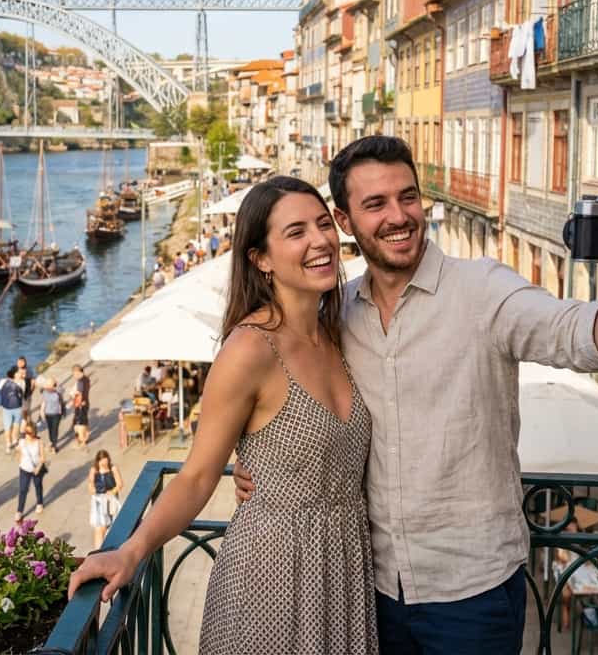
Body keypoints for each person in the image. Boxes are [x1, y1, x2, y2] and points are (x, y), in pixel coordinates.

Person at [232, 136, 598, 654]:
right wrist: (258, 460)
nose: (398, 216)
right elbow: (291, 394)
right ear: (344, 220)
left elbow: (584, 336)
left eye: (407, 197)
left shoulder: (483, 290)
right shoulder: (338, 313)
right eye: (375, 204)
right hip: (371, 590)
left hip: (473, 594)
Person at [70, 177, 377, 654]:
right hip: (271, 576)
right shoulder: (251, 349)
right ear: (261, 258)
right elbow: (196, 477)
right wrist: (132, 550)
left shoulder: (338, 332)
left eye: (323, 224)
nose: (320, 240)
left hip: (344, 571)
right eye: (296, 232)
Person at [85, 449, 124, 550]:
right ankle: (98, 551)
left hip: (111, 499)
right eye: (101, 461)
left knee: (110, 525)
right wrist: (93, 489)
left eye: (105, 460)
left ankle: (104, 550)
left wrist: (112, 492)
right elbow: (90, 484)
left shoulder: (113, 468)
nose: (103, 463)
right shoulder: (94, 470)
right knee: (99, 527)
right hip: (98, 500)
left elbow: (120, 484)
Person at [16, 421, 49, 520]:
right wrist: (20, 462)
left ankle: (39, 503)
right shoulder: (22, 441)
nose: (27, 435)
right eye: (26, 432)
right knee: (23, 489)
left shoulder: (39, 442)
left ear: (34, 432)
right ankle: (19, 511)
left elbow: (43, 458)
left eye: (29, 433)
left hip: (36, 469)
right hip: (24, 469)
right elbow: (19, 453)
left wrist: (38, 468)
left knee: (38, 485)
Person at [0, 364, 25, 452]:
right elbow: (22, 394)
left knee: (8, 426)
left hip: (6, 407)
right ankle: (14, 441)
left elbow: (0, 391)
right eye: (20, 373)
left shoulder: (3, 381)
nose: (21, 375)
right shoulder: (21, 383)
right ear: (15, 374)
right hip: (17, 406)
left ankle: (9, 443)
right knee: (15, 424)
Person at [37, 372, 64, 451]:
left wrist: (55, 384)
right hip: (48, 413)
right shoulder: (44, 391)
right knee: (50, 429)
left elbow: (61, 389)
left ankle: (54, 445)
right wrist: (42, 413)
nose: (48, 386)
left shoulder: (58, 391)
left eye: (50, 385)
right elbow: (43, 401)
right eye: (47, 385)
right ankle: (51, 441)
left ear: (53, 385)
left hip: (56, 413)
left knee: (55, 429)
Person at [71, 364, 91, 449]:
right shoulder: (86, 379)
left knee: (80, 424)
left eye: (74, 374)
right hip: (84, 403)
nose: (74, 376)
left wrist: (75, 397)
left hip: (81, 405)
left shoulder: (81, 381)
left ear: (78, 372)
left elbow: (80, 394)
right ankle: (84, 437)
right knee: (83, 422)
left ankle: (82, 440)